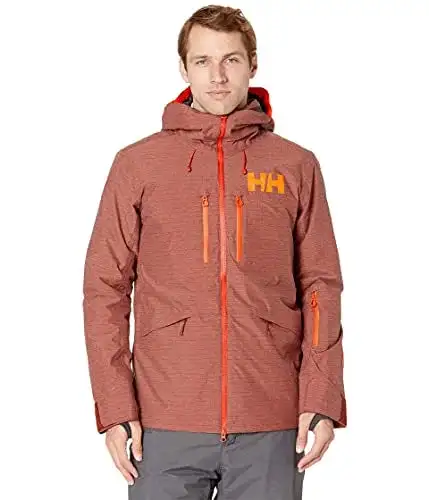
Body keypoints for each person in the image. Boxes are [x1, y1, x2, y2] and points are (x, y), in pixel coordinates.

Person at [82, 5, 347, 499]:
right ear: (184, 69)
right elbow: (105, 290)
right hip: (162, 420)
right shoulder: (138, 165)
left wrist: (322, 395)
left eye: (231, 60)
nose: (218, 76)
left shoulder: (295, 165)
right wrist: (114, 407)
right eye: (203, 61)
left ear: (253, 64)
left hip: (270, 418)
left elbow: (321, 286)